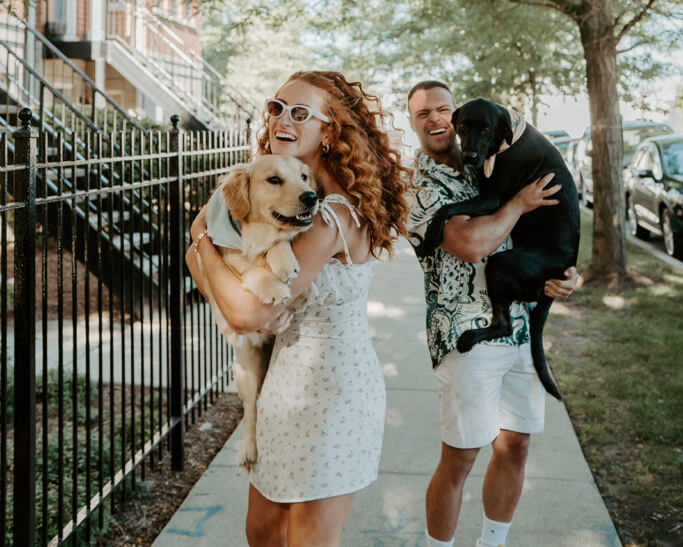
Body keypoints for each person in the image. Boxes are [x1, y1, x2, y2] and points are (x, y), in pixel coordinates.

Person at [186, 70, 411, 547]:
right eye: (276, 107)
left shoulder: (332, 215)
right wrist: (214, 268)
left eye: (301, 113)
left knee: (305, 541)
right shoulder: (291, 200)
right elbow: (224, 288)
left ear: (330, 131)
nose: (282, 119)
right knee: (263, 534)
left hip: (333, 395)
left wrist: (201, 235)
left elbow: (247, 313)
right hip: (283, 388)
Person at [406, 80, 579, 547]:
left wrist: (564, 275)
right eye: (424, 114)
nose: (436, 119)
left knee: (516, 444)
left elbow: (542, 229)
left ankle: (492, 542)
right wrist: (520, 203)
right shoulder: (415, 185)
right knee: (460, 458)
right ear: (413, 124)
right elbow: (472, 243)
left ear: (459, 116)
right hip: (464, 332)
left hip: (518, 325)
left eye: (444, 109)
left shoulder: (487, 163)